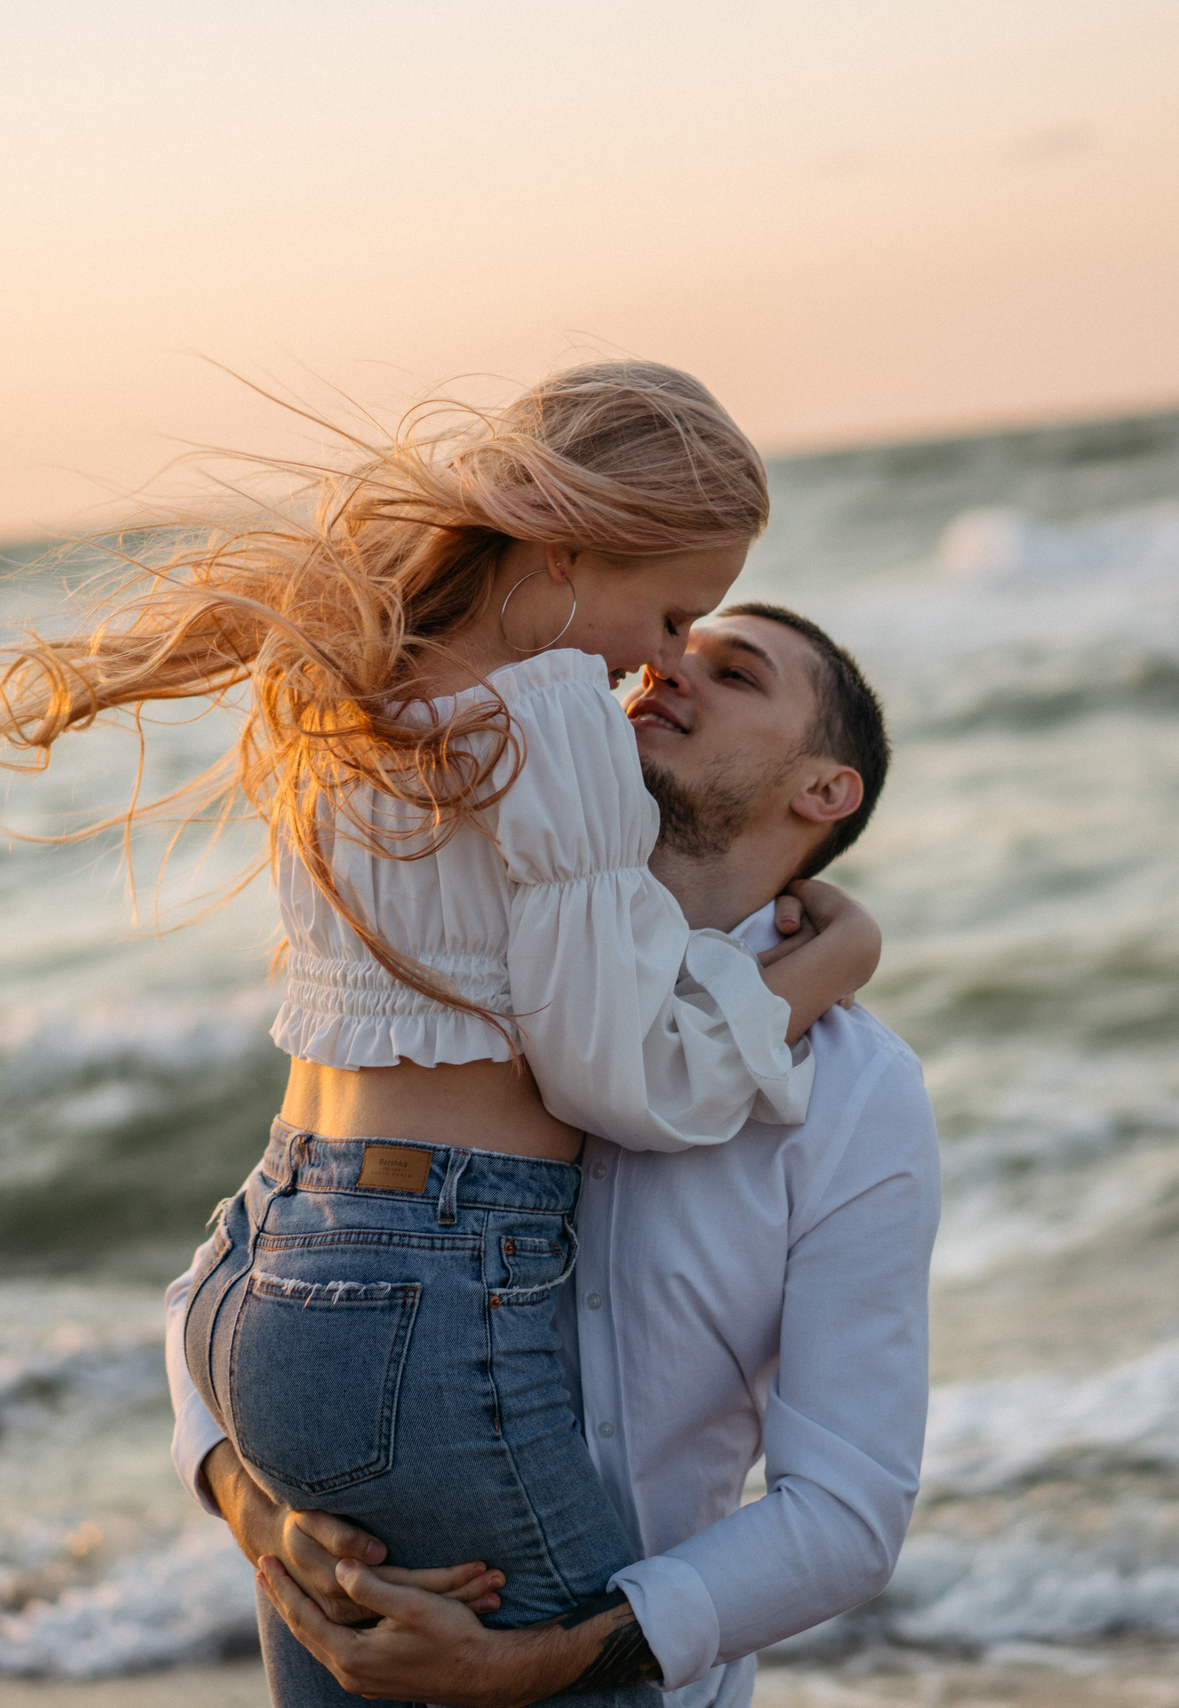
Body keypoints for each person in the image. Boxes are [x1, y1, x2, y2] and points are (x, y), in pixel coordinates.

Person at [0, 367, 884, 1707]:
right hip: (424, 1294)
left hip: (265, 1258)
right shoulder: (560, 737)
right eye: (668, 614)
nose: (655, 662)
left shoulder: (355, 679)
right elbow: (621, 1082)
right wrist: (823, 968)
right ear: (564, 547)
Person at [165, 605, 941, 1708]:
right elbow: (235, 1269)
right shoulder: (463, 971)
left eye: (734, 671)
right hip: (351, 1634)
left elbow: (848, 1514)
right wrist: (258, 1514)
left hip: (618, 1675)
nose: (667, 667)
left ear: (824, 789)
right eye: (675, 641)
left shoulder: (853, 1091)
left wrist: (536, 1661)